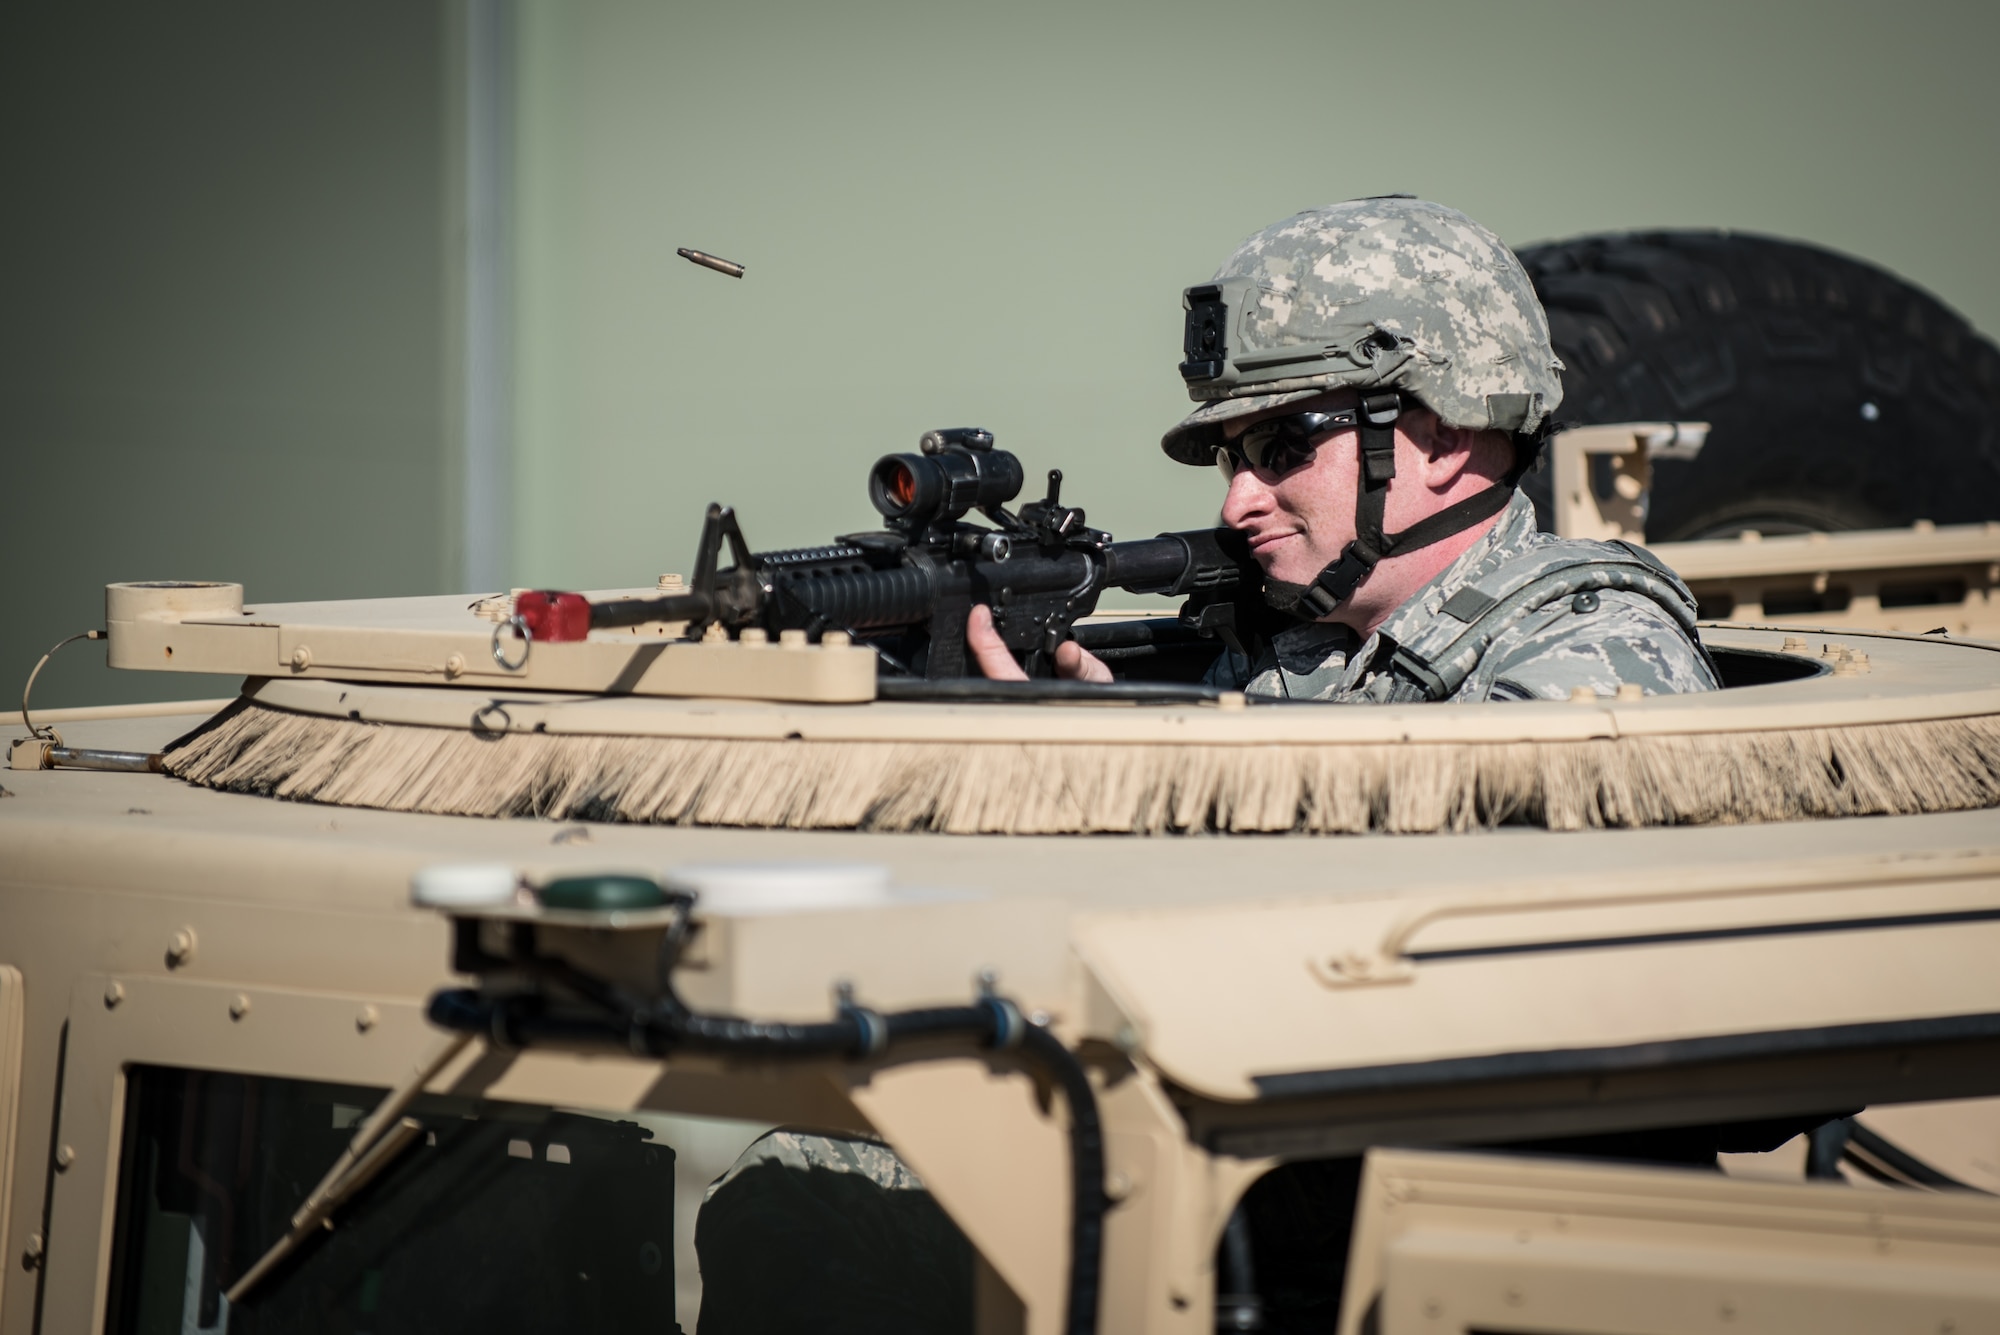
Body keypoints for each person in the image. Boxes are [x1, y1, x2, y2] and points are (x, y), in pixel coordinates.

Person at [968, 196, 1720, 701]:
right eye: (1234, 459)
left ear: (1443, 438)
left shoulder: (1598, 655)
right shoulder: (1293, 644)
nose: (1237, 502)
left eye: (1281, 446)